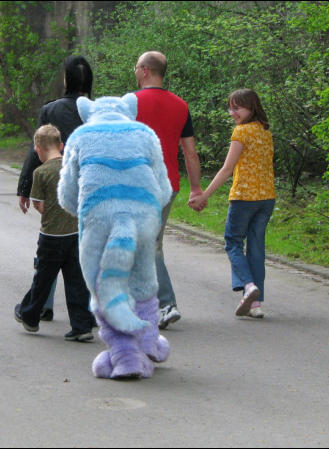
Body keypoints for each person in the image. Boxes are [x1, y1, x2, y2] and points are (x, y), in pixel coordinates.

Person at [16, 55, 93, 321]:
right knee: (82, 252)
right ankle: (87, 312)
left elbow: (34, 149)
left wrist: (25, 186)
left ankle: (43, 305)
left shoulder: (52, 109)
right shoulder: (95, 110)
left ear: (66, 79)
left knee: (49, 250)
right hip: (88, 185)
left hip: (53, 185)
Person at [189, 88, 275, 319]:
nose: (232, 113)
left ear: (251, 107)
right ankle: (255, 304)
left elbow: (227, 169)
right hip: (266, 198)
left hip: (244, 197)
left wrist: (204, 195)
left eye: (237, 108)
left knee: (233, 242)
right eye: (230, 108)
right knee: (256, 247)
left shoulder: (241, 132)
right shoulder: (265, 131)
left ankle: (248, 286)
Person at [132, 51, 203, 329]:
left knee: (147, 245)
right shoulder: (181, 106)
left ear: (146, 70)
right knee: (147, 244)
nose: (135, 71)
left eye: (137, 67)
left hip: (138, 184)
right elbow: (191, 151)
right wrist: (195, 188)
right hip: (168, 184)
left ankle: (165, 303)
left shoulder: (130, 103)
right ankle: (146, 304)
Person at [14, 124, 94, 341]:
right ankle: (82, 326)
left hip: (51, 237)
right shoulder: (75, 168)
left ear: (37, 149)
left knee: (43, 278)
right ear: (61, 145)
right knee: (76, 280)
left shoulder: (40, 172)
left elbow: (39, 205)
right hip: (76, 234)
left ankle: (30, 316)